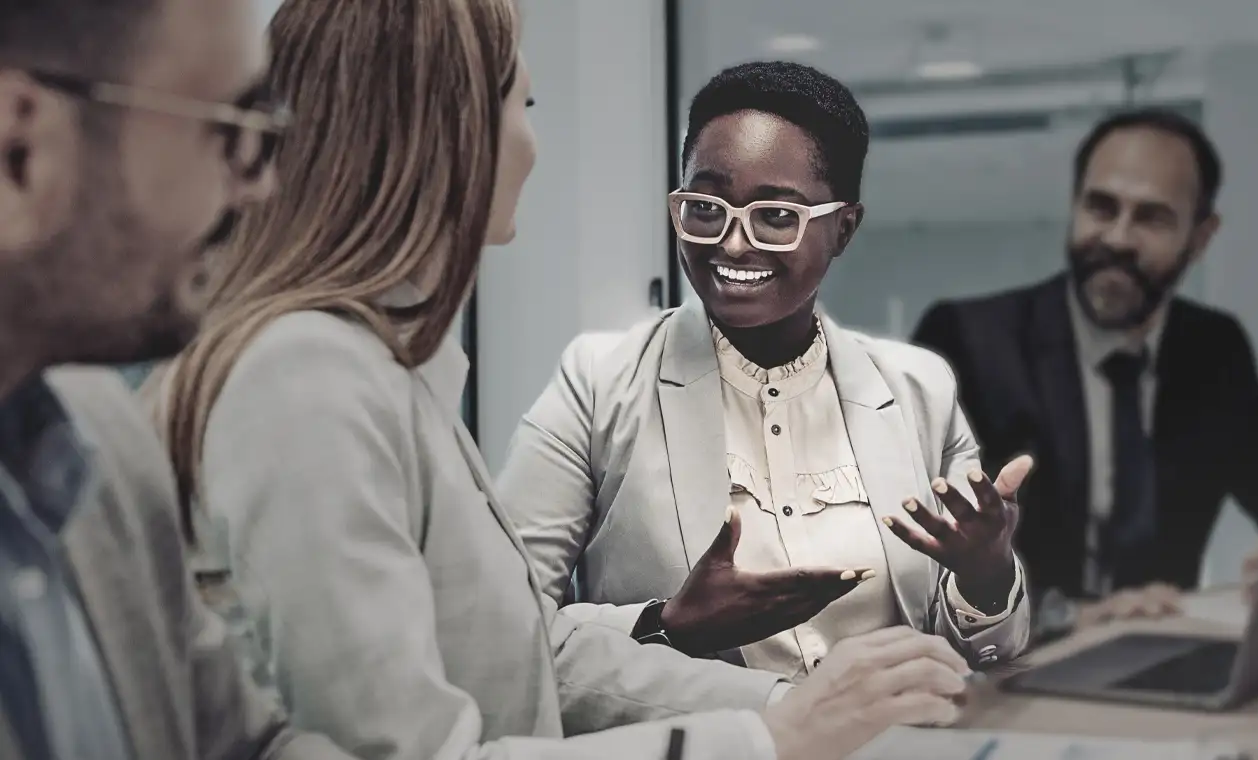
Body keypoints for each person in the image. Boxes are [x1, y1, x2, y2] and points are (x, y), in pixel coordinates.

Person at [155, 4, 973, 760]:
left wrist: (788, 704)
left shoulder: (380, 371)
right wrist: (767, 739)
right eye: (526, 108)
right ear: (456, 132)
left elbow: (531, 653)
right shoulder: (309, 382)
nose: (533, 145)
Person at [498, 61, 1031, 681]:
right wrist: (666, 623)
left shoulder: (919, 391)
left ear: (843, 229)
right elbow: (504, 623)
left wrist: (987, 575)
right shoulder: (597, 383)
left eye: (776, 216)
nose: (730, 244)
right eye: (705, 207)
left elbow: (985, 655)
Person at [0, 0, 356, 758]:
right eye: (232, 129)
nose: (258, 188)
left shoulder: (102, 452)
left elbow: (245, 747)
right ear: (18, 147)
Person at [910, 108, 1258, 637]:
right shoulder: (969, 341)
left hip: (1156, 663)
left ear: (1200, 238)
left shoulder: (1213, 352)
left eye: (1152, 217)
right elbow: (906, 549)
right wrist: (1071, 618)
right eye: (1101, 208)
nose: (1119, 238)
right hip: (998, 666)